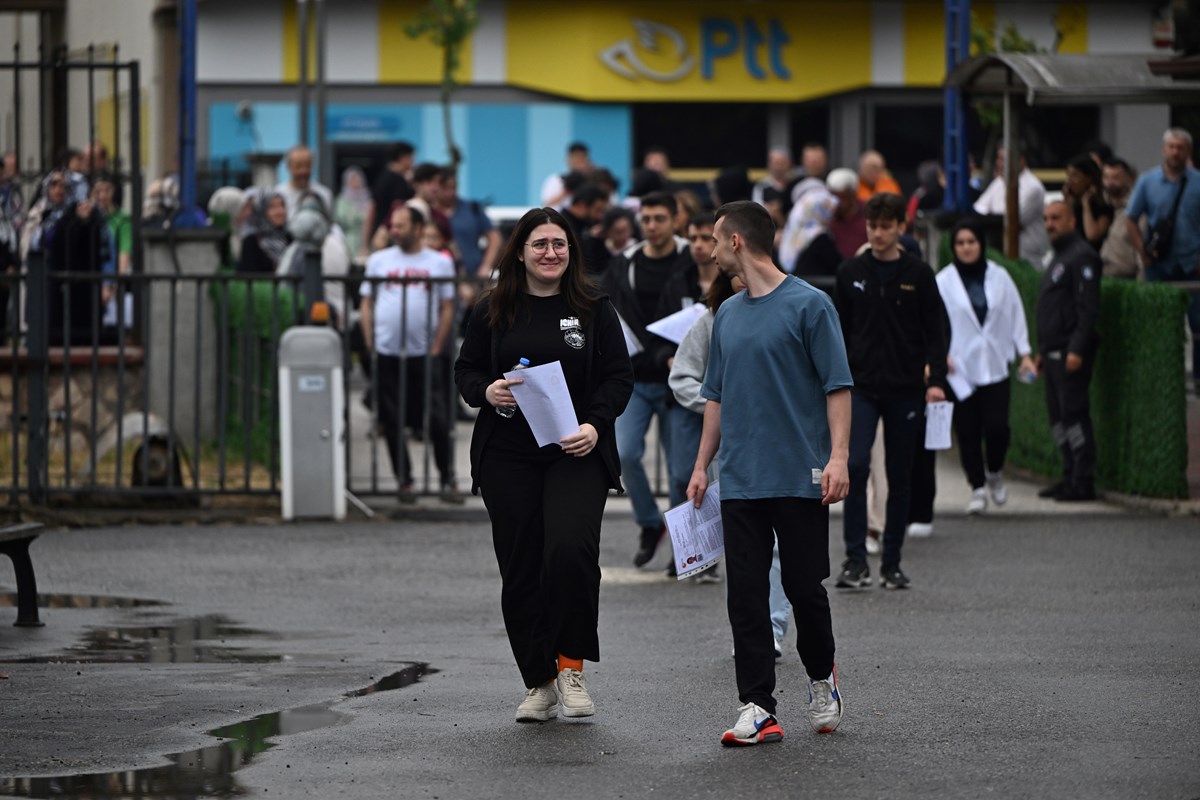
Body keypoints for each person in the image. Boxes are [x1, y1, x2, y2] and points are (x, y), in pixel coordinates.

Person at [454, 207, 633, 723]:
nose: (550, 253)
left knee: (570, 550)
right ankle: (539, 680)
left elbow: (619, 377)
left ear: (571, 251)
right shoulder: (492, 309)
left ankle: (572, 667)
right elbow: (467, 371)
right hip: (508, 455)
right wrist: (486, 391)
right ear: (520, 252)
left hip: (575, 450)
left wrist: (595, 425)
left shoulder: (595, 309)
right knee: (521, 566)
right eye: (540, 244)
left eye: (559, 244)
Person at [686, 200, 851, 745]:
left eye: (715, 239)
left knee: (804, 589)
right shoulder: (727, 314)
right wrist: (701, 466)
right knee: (746, 596)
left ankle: (822, 678)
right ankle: (758, 706)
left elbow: (838, 386)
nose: (711, 250)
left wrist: (838, 458)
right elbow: (715, 397)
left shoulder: (811, 305)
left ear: (736, 241)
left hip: (799, 475)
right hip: (740, 480)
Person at [834, 193, 947, 590]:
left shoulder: (919, 274)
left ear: (901, 227)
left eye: (885, 227)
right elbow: (839, 330)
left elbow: (936, 330)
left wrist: (936, 381)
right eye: (872, 226)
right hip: (860, 386)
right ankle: (855, 560)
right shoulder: (850, 272)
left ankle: (892, 562)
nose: (877, 233)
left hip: (905, 387)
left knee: (900, 475)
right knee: (855, 466)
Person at [601, 191, 691, 571]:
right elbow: (606, 307)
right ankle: (650, 524)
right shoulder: (626, 262)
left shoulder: (692, 256)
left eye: (659, 219)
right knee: (624, 454)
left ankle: (684, 548)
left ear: (675, 219)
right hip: (635, 377)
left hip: (679, 379)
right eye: (646, 219)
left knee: (681, 472)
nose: (651, 226)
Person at [360, 205, 459, 502]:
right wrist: (370, 342)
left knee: (438, 418)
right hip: (387, 350)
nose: (394, 230)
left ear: (418, 229)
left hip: (424, 352)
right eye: (393, 225)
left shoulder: (439, 263)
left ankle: (447, 479)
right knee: (392, 418)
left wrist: (437, 347)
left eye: (401, 226)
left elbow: (447, 307)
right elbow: (366, 302)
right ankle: (404, 481)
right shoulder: (378, 261)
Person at [937, 219, 1036, 514]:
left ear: (981, 244)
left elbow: (1015, 313)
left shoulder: (1000, 276)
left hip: (994, 363)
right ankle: (977, 488)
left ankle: (994, 470)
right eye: (960, 243)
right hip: (959, 368)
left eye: (971, 242)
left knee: (997, 428)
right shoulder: (943, 281)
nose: (966, 248)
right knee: (967, 430)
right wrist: (940, 354)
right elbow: (933, 321)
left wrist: (1025, 352)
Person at [1125, 128, 1200, 395]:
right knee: (1157, 325)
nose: (1175, 152)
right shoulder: (1148, 181)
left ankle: (1198, 382)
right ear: (1163, 149)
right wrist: (1142, 252)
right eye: (1171, 147)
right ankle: (1160, 383)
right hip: (1158, 265)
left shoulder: (1197, 182)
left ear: (1188, 152)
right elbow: (1130, 218)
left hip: (1192, 265)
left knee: (1198, 325)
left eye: (1181, 147)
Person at [1036, 201, 1101, 502]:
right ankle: (1068, 474)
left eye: (1056, 218)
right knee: (1058, 419)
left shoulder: (1082, 256)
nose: (1049, 224)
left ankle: (1083, 480)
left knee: (1073, 416)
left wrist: (1077, 348)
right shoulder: (1060, 255)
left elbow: (1087, 308)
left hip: (1069, 352)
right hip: (1052, 352)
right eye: (1046, 219)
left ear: (1072, 220)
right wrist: (1043, 349)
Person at [973, 148, 1049, 266]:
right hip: (999, 253)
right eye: (998, 158)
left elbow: (1012, 220)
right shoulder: (999, 181)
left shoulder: (1033, 188)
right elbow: (978, 209)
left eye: (1002, 159)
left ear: (1021, 161)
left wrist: (989, 216)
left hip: (1027, 258)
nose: (998, 163)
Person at [366, 141, 416, 246]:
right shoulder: (398, 181)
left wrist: (366, 241)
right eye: (411, 158)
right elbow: (397, 207)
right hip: (391, 237)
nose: (413, 162)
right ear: (403, 157)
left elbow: (372, 210)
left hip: (378, 232)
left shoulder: (381, 178)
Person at [1063, 154, 1113, 252]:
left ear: (1089, 178)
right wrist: (1066, 202)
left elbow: (1092, 235)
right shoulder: (1072, 204)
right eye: (1068, 177)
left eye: (1074, 176)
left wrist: (1086, 204)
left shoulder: (1103, 206)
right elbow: (1063, 231)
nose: (1070, 182)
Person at [1100, 158, 1141, 279]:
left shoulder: (1136, 208)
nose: (1110, 183)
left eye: (1115, 178)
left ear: (1129, 180)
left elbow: (1140, 251)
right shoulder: (1100, 205)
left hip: (1126, 277)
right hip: (1103, 274)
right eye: (1106, 177)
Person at [236, 192, 291, 274]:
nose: (280, 211)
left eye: (282, 206)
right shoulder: (251, 242)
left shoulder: (290, 239)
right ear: (261, 211)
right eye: (273, 207)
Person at [275, 145, 333, 219]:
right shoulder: (278, 195)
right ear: (288, 167)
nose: (303, 171)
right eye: (298, 166)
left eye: (307, 165)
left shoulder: (324, 194)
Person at [825, 168, 868, 261]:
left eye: (841, 197)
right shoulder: (826, 217)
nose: (836, 202)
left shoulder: (869, 212)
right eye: (832, 197)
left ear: (853, 194)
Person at [334, 166, 372, 264]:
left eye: (357, 179)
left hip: (365, 240)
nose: (355, 183)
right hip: (348, 240)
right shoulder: (341, 201)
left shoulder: (368, 199)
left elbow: (370, 220)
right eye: (352, 180)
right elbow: (342, 219)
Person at [540, 141, 592, 209]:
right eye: (576, 158)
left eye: (582, 158)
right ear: (568, 159)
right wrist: (567, 191)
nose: (579, 162)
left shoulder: (592, 180)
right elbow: (545, 205)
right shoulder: (556, 180)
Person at [752, 148, 797, 225]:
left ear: (789, 164)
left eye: (782, 163)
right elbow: (756, 211)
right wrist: (772, 210)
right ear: (769, 165)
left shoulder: (795, 186)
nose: (778, 167)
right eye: (776, 163)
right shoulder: (761, 186)